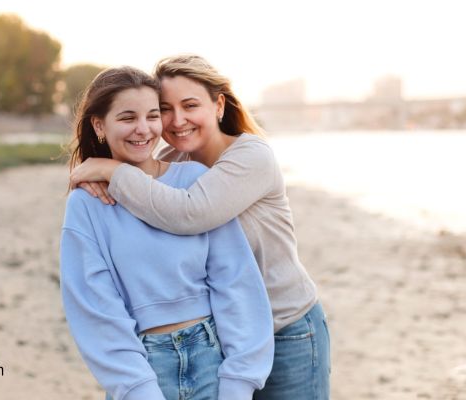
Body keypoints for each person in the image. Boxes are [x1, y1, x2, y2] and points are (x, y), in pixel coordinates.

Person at [69, 55, 331, 400]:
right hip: (225, 337)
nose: (177, 120)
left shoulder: (250, 156)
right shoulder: (176, 164)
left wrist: (112, 171)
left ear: (218, 104)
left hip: (285, 326)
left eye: (190, 105)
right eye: (165, 108)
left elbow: (190, 213)